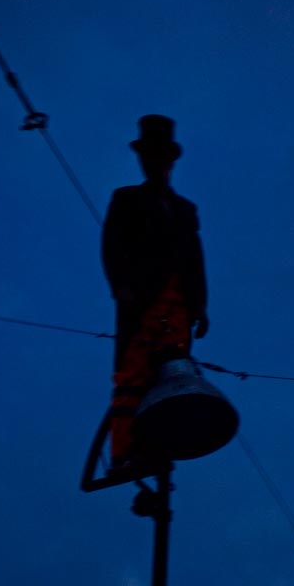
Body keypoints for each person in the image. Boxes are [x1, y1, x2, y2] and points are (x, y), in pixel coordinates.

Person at [101, 114, 209, 471]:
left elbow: (195, 259)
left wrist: (200, 306)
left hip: (178, 309)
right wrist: (122, 287)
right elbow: (112, 247)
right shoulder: (126, 199)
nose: (152, 163)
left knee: (173, 376)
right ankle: (126, 452)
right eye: (147, 156)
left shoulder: (185, 210)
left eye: (158, 156)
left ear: (169, 160)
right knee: (133, 375)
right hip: (140, 303)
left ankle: (160, 445)